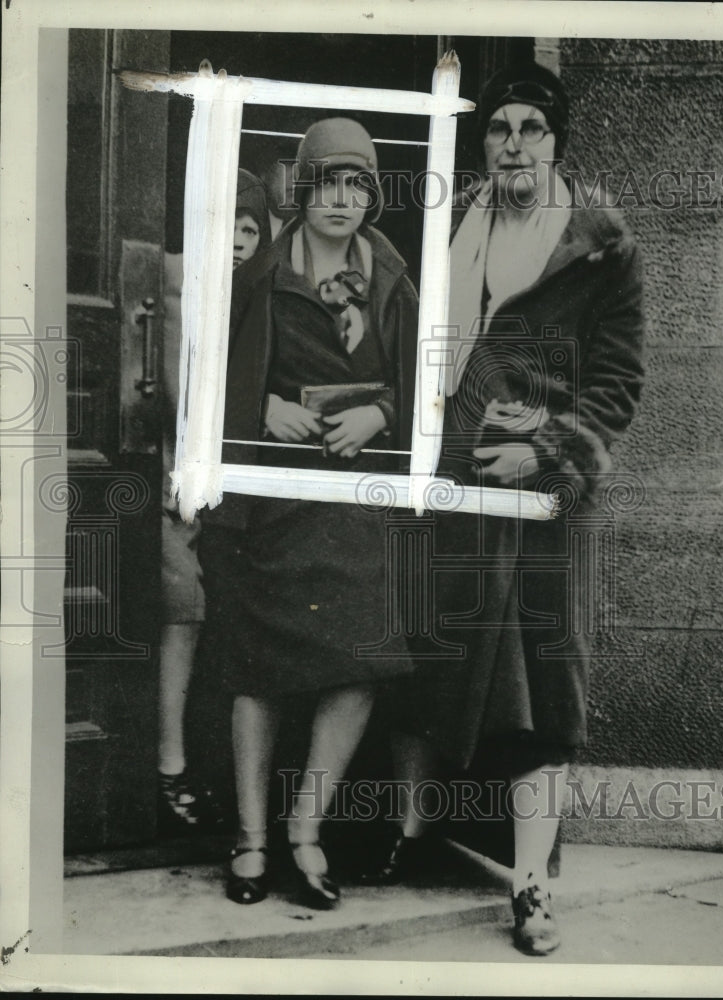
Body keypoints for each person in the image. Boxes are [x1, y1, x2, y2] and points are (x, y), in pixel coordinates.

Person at [364, 62, 645, 957]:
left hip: (543, 501)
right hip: (451, 478)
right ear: (483, 142)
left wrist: (548, 451)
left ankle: (529, 888)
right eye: (500, 128)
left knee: (540, 690)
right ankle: (409, 837)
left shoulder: (601, 247)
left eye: (532, 126)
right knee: (426, 657)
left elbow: (618, 383)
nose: (515, 143)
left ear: (557, 141)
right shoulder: (461, 224)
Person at [198, 118, 418, 907]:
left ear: (372, 194)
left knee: (361, 665)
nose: (340, 199)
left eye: (357, 184)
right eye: (326, 182)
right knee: (257, 669)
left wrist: (382, 415)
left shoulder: (392, 278)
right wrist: (262, 410)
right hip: (273, 500)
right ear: (302, 186)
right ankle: (252, 841)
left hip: (357, 503)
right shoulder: (260, 273)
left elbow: (424, 385)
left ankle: (306, 831)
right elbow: (209, 371)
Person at [157, 168, 269, 833]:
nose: (234, 241)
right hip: (171, 483)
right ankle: (169, 766)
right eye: (223, 225)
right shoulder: (176, 287)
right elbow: (173, 402)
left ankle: (210, 776)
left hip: (224, 492)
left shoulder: (260, 294)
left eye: (249, 229)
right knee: (183, 603)